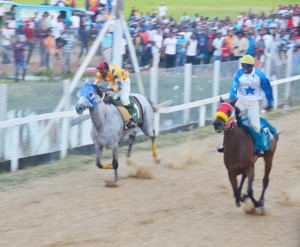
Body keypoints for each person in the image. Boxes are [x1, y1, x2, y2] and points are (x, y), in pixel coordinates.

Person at [217, 54, 274, 157]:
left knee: (255, 126)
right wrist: (231, 100)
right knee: (230, 122)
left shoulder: (260, 75)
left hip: (253, 103)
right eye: (243, 66)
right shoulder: (238, 74)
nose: (245, 68)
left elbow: (268, 89)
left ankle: (259, 147)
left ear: (252, 66)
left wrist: (270, 103)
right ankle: (225, 144)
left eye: (247, 66)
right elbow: (233, 89)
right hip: (240, 102)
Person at [96, 61, 136, 129]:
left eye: (102, 72)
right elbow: (97, 84)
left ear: (106, 69)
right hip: (114, 81)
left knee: (123, 99)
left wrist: (107, 89)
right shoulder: (99, 74)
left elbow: (119, 87)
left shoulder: (116, 72)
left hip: (124, 80)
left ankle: (131, 119)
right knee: (105, 98)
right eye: (100, 72)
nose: (101, 74)